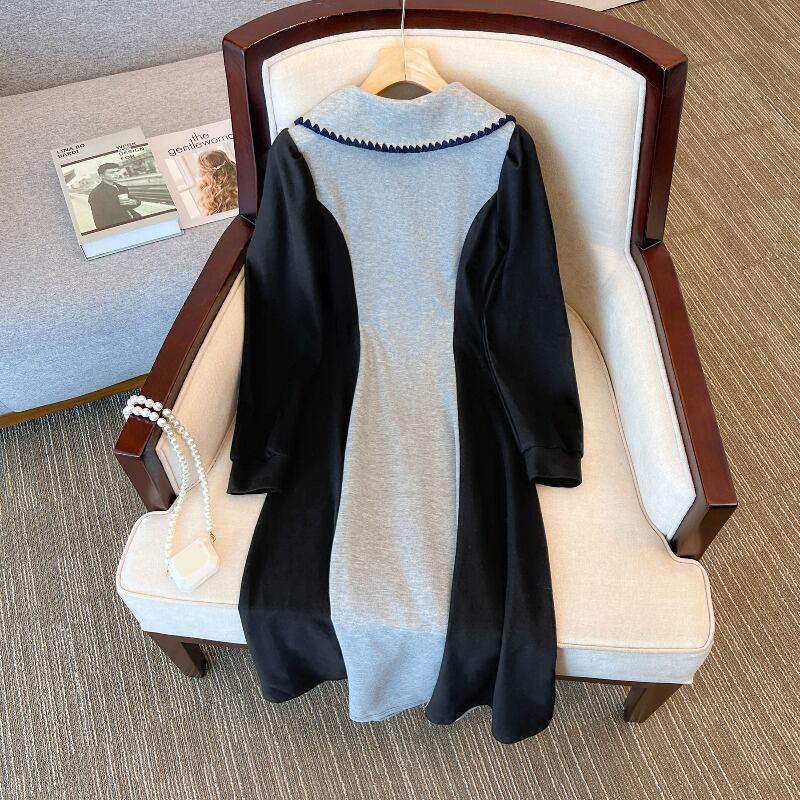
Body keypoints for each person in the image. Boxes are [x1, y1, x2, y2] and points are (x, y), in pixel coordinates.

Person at [87, 163, 142, 229]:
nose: (116, 174)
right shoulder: (96, 194)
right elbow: (99, 219)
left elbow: (135, 200)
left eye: (117, 171)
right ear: (102, 176)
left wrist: (135, 202)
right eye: (112, 172)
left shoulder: (120, 187)